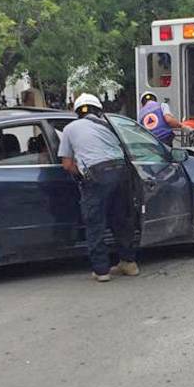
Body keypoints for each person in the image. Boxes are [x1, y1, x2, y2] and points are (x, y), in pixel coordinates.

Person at [57, 93, 139, 282]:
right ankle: (129, 263)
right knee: (122, 220)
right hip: (122, 173)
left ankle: (102, 271)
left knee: (95, 224)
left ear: (77, 112)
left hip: (97, 176)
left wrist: (82, 176)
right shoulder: (110, 125)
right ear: (99, 110)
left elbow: (67, 165)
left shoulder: (69, 128)